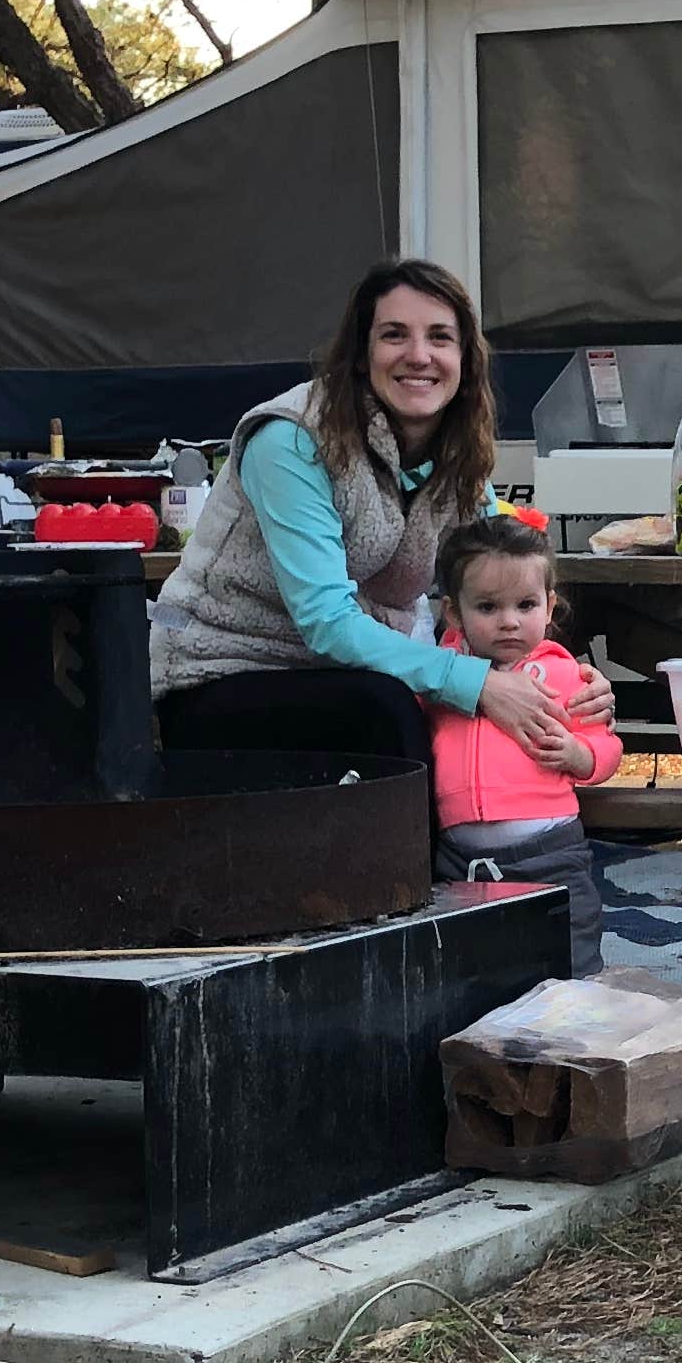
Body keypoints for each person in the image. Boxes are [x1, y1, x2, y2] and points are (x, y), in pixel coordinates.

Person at [150, 259, 580, 775]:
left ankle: (524, 845)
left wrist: (564, 676)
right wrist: (478, 682)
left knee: (486, 706)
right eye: (394, 335)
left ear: (465, 358)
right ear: (361, 354)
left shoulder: (458, 453)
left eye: (440, 337)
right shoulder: (291, 439)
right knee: (391, 712)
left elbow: (506, 570)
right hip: (225, 675)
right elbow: (327, 622)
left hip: (360, 674)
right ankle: (422, 858)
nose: (419, 356)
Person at [426, 517, 620, 976]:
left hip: (550, 853)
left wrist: (580, 756)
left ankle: (578, 1035)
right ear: (455, 613)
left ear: (549, 606)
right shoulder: (441, 677)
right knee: (469, 965)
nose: (509, 621)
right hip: (460, 859)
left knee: (569, 955)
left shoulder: (565, 675)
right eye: (488, 607)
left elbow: (606, 745)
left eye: (526, 604)